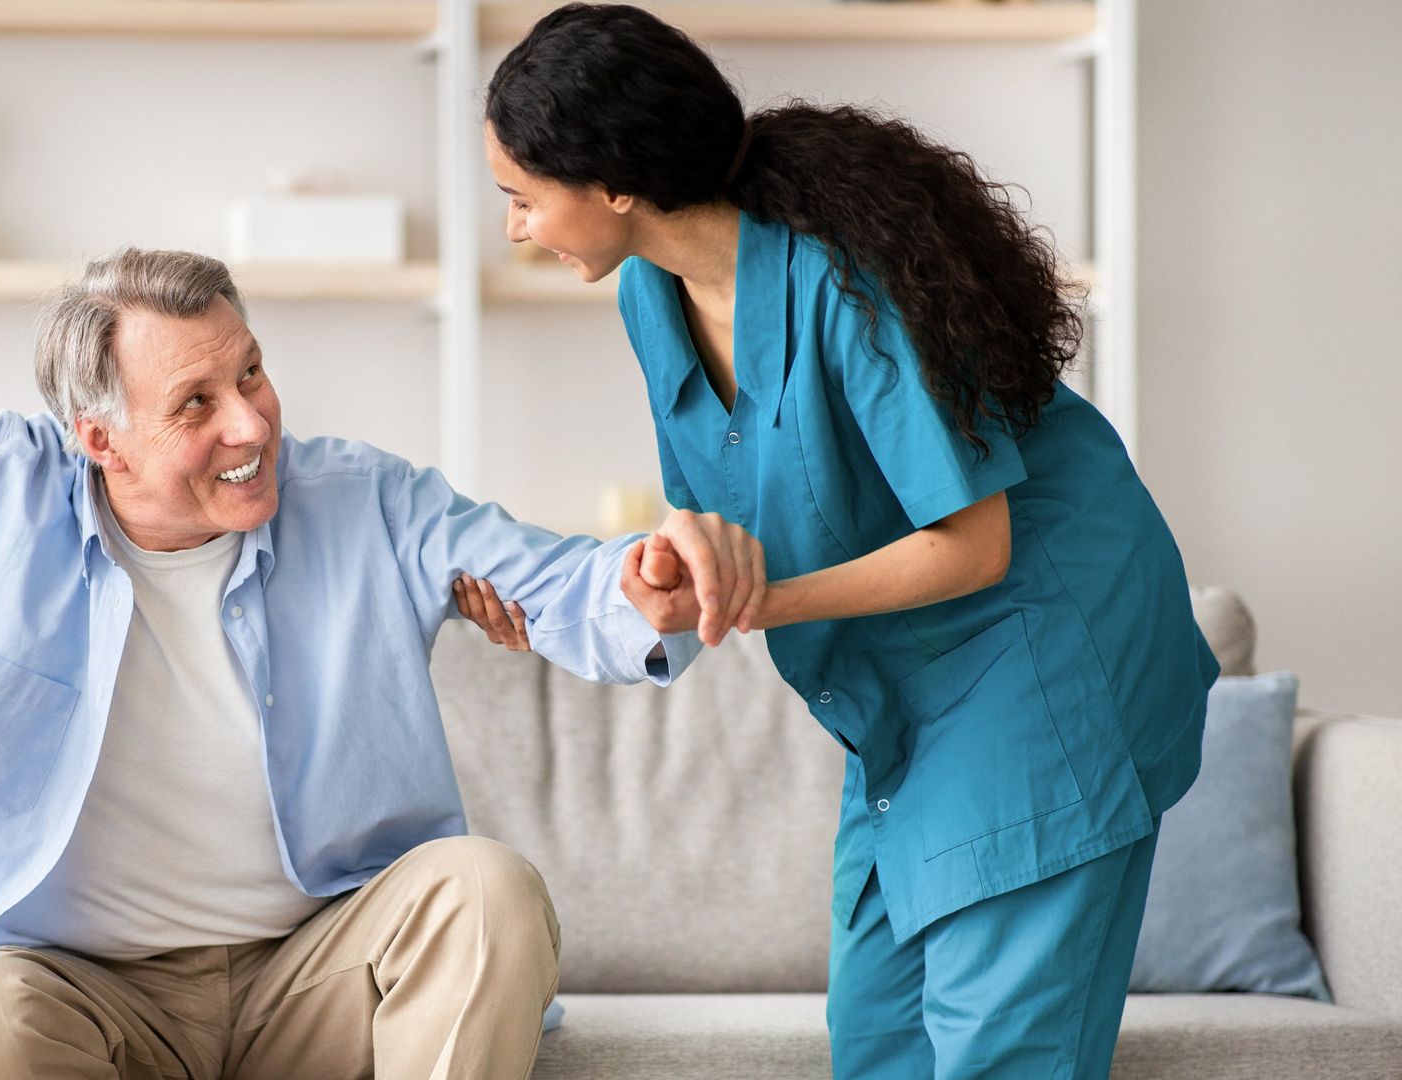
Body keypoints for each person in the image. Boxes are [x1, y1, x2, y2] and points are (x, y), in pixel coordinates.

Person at [0, 247, 765, 1080]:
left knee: (486, 891)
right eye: (196, 403)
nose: (251, 424)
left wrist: (639, 588)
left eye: (253, 375)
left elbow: (562, 583)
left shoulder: (363, 500)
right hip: (73, 994)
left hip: (313, 972)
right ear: (99, 439)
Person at [468, 5, 1222, 1077]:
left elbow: (973, 544)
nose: (516, 227)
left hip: (1044, 661)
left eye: (521, 198)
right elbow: (727, 519)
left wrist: (754, 602)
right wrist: (660, 574)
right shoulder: (651, 291)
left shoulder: (841, 286)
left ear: (616, 184)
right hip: (902, 700)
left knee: (999, 1054)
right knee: (874, 1045)